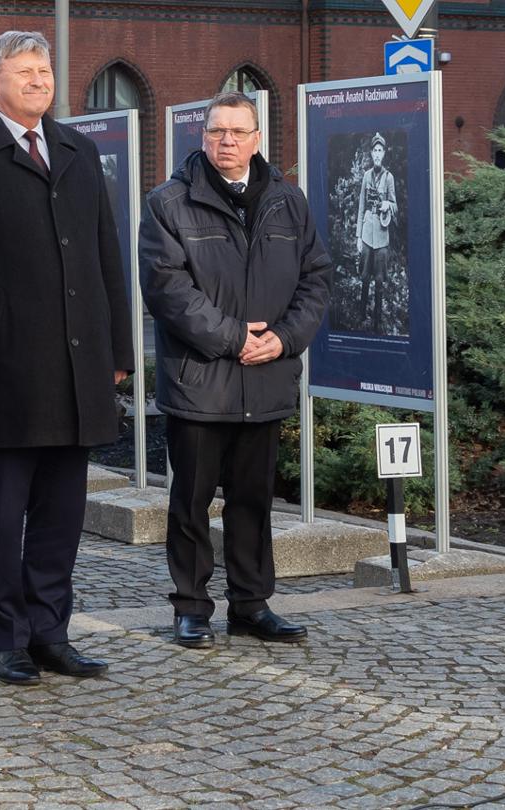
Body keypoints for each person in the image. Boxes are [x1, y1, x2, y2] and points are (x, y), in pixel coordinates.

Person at [0, 31, 133, 686]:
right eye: (26, 71)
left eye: (45, 70)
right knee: (1, 519)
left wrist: (118, 350)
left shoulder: (77, 150)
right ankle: (7, 638)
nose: (40, 80)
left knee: (61, 519)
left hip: (76, 368)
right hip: (4, 371)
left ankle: (50, 633)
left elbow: (105, 255)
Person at [141, 92, 331, 649]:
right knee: (191, 503)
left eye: (237, 131)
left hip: (266, 375)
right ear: (203, 136)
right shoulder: (169, 202)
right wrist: (234, 338)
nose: (226, 141)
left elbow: (316, 278)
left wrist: (284, 338)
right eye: (217, 131)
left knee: (253, 501)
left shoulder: (288, 202)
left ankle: (251, 604)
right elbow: (168, 290)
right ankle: (191, 607)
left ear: (256, 139)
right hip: (201, 380)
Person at [354, 133, 397, 332]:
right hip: (366, 234)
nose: (377, 154)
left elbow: (396, 206)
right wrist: (358, 236)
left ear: (384, 153)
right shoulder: (366, 176)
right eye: (375, 151)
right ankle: (361, 315)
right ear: (371, 153)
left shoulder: (389, 178)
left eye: (380, 150)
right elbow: (361, 206)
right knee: (364, 277)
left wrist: (388, 204)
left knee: (379, 280)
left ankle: (377, 321)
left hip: (381, 235)